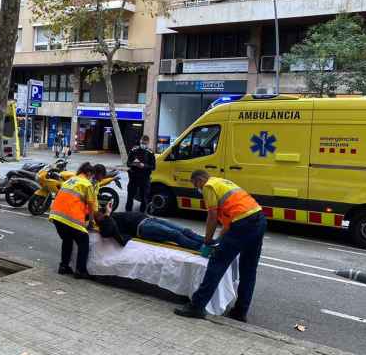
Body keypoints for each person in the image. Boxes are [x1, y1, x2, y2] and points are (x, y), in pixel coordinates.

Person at [174, 170, 266, 323]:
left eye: (196, 184)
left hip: (243, 224)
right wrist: (219, 239)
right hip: (258, 220)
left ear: (201, 179)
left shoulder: (209, 186)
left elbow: (212, 216)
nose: (197, 188)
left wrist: (208, 240)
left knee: (217, 264)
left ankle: (196, 306)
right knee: (248, 269)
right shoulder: (222, 182)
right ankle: (240, 311)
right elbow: (230, 220)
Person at [49, 162, 99, 279]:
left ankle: (63, 266)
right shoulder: (87, 184)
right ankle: (80, 270)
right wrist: (91, 221)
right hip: (71, 218)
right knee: (83, 240)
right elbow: (91, 205)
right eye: (91, 175)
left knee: (67, 239)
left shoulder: (70, 180)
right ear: (88, 173)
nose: (91, 178)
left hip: (56, 216)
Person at [96, 202, 205, 251]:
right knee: (175, 234)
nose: (101, 212)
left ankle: (207, 241)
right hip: (143, 228)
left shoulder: (109, 215)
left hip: (149, 219)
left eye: (101, 211)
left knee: (183, 230)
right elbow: (107, 232)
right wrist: (106, 216)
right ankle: (201, 248)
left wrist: (107, 211)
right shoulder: (106, 222)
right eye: (99, 213)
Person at [125, 135, 155, 212]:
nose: (143, 145)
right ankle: (127, 213)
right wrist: (134, 164)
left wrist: (144, 166)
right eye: (142, 143)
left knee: (144, 198)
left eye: (145, 143)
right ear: (140, 141)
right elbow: (128, 163)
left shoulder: (150, 153)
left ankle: (142, 215)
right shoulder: (133, 150)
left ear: (148, 143)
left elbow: (153, 167)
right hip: (133, 177)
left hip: (144, 178)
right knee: (130, 197)